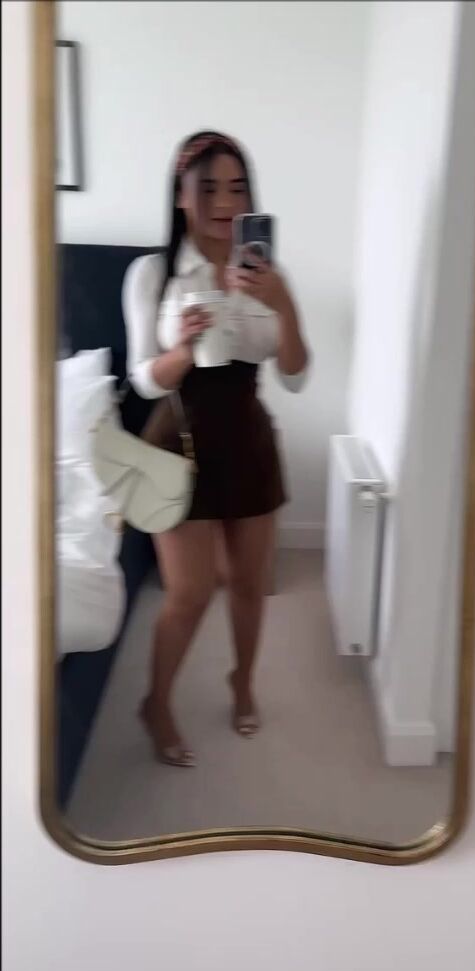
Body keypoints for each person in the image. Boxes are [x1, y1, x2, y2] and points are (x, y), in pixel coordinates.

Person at [123, 130, 309, 765]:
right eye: (208, 188)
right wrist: (180, 349)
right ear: (180, 196)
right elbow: (143, 379)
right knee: (190, 593)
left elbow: (296, 374)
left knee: (250, 584)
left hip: (247, 438)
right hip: (175, 441)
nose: (225, 203)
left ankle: (242, 682)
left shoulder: (266, 273)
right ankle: (156, 702)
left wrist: (283, 303)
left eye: (237, 188)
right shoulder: (153, 274)